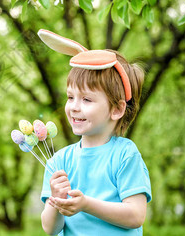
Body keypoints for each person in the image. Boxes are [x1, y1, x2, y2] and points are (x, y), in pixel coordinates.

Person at [37, 29, 152, 236]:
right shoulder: (59, 161)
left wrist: (86, 204)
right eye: (70, 97)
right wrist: (56, 202)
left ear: (117, 109)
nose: (74, 106)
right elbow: (50, 228)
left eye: (86, 99)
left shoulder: (125, 154)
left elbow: (136, 215)